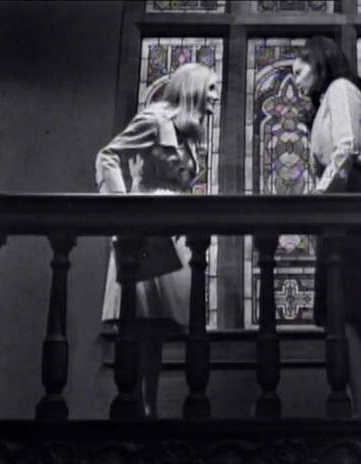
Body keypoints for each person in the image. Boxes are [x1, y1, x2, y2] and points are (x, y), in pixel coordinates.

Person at [95, 62, 220, 419]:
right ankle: (133, 404)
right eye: (211, 89)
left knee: (158, 326)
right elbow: (108, 156)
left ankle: (150, 406)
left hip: (173, 226)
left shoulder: (187, 133)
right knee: (137, 318)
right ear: (193, 88)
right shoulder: (154, 119)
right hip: (145, 222)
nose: (216, 97)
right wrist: (121, 210)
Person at [292, 36, 361, 417]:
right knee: (344, 308)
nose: (295, 80)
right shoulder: (325, 101)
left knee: (354, 308)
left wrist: (320, 196)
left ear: (318, 62)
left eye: (298, 71)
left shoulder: (340, 89)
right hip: (339, 199)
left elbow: (345, 147)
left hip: (348, 197)